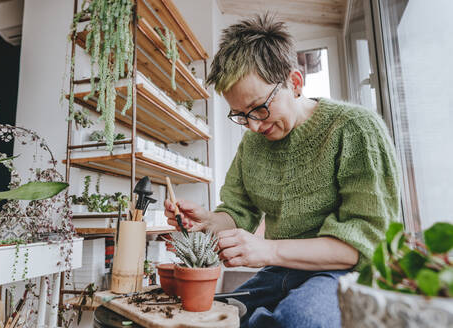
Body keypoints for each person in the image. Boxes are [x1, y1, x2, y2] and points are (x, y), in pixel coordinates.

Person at [164, 14, 400, 328]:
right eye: (240, 115)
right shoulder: (251, 146)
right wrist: (208, 221)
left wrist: (267, 250)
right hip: (283, 272)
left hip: (350, 273)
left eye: (260, 108)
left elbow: (362, 245)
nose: (253, 125)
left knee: (300, 319)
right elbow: (237, 212)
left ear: (295, 83)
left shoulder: (355, 129)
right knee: (212, 315)